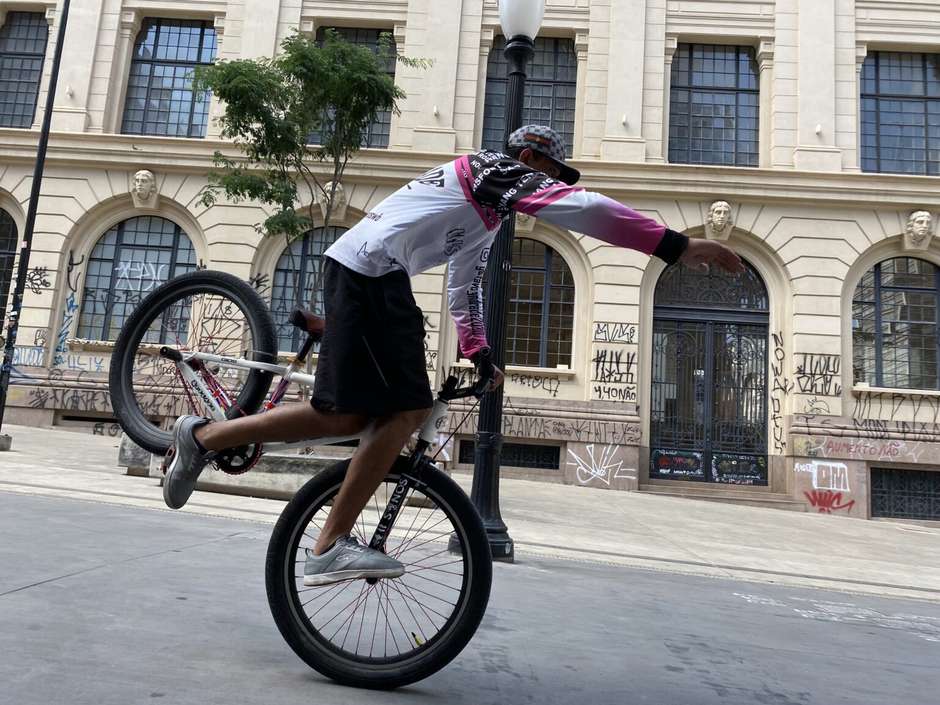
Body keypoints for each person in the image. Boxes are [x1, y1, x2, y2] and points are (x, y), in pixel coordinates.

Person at [163, 124, 744, 586]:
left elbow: (465, 288)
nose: (546, 184)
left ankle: (205, 438)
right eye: (548, 172)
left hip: (370, 276)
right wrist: (675, 244)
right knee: (407, 412)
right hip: (370, 273)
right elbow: (581, 207)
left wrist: (480, 352)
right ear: (531, 161)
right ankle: (330, 546)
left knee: (347, 416)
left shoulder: (486, 216)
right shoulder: (492, 170)